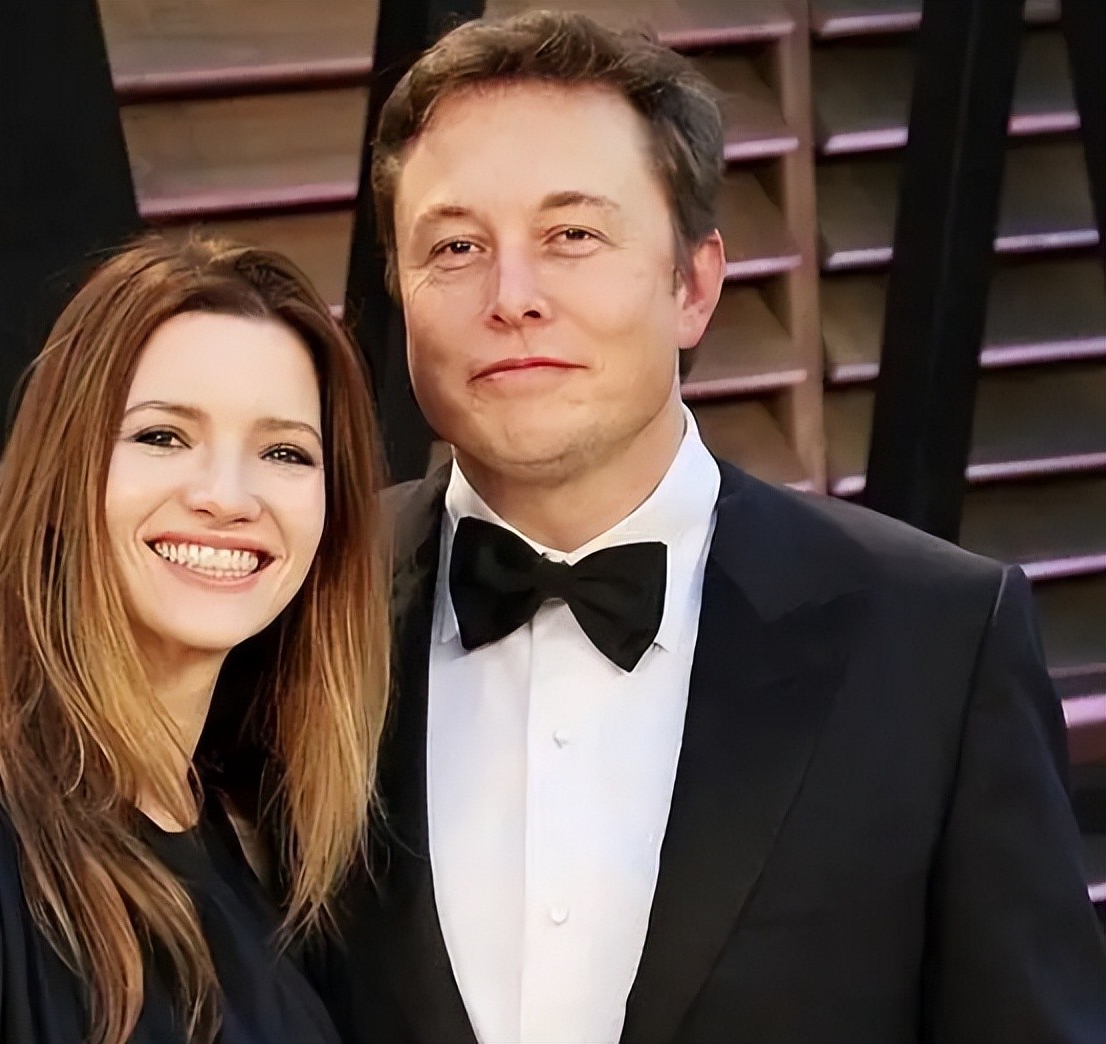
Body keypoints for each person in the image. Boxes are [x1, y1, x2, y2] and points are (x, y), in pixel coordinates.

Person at [316, 10, 1106, 1043]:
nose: (512, 298)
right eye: (455, 247)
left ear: (692, 284)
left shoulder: (938, 641)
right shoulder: (300, 606)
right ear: (399, 294)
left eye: (572, 236)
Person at [0, 234, 389, 1043]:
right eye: (163, 436)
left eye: (283, 451)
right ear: (65, 472)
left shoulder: (262, 845)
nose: (226, 497)